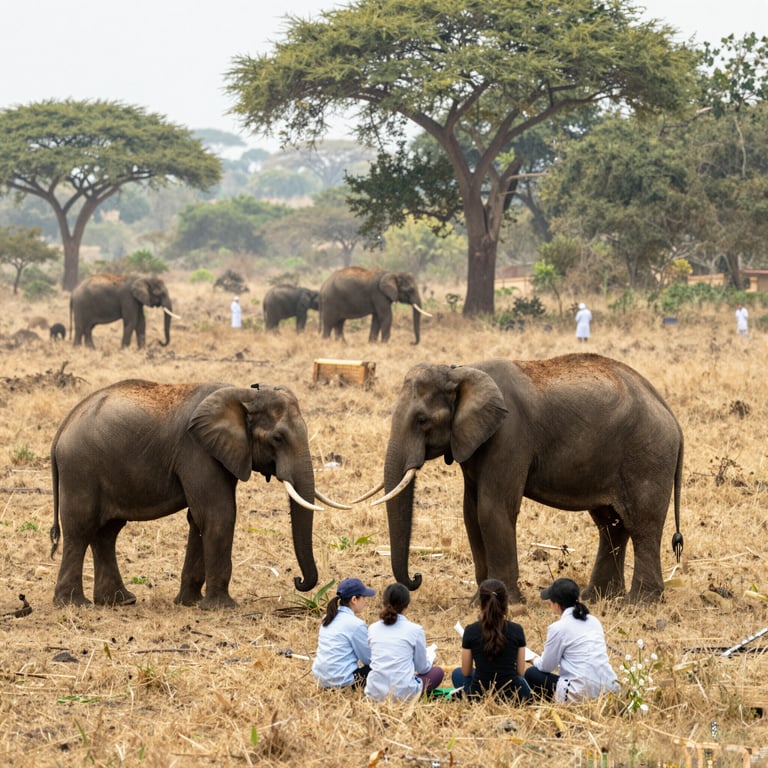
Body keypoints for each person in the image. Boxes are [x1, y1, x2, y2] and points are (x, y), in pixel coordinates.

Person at [524, 578, 618, 703]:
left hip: (580, 693)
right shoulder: (594, 621)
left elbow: (545, 666)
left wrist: (532, 658)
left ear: (556, 605)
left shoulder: (557, 628)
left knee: (532, 674)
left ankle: (545, 704)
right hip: (608, 689)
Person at [451, 579, 532, 702]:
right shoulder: (517, 630)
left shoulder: (471, 630)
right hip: (513, 696)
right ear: (505, 603)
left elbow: (466, 672)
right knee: (521, 679)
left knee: (457, 673)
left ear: (481, 603)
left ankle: (462, 695)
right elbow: (520, 672)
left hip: (478, 695)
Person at [365, 582, 444, 701]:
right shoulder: (415, 630)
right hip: (404, 694)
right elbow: (422, 668)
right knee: (437, 672)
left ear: (384, 603)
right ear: (407, 605)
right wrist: (429, 659)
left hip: (374, 692)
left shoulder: (372, 628)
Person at [312, 577, 376, 689]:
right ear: (354, 599)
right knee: (381, 667)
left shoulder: (327, 617)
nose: (365, 602)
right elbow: (369, 659)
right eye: (363, 597)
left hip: (320, 680)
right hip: (343, 682)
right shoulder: (356, 625)